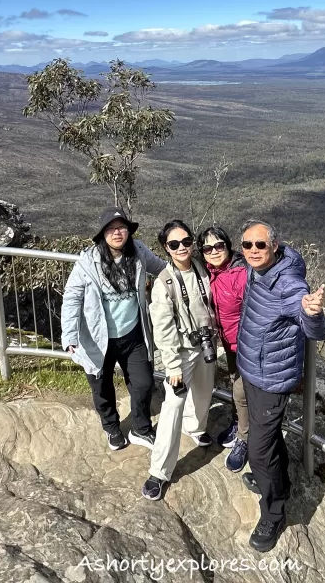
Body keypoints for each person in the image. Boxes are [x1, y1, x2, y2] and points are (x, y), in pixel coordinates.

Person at [235, 218, 325, 553]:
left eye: (261, 244)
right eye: (247, 245)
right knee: (268, 437)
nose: (254, 251)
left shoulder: (290, 284)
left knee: (258, 450)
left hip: (271, 380)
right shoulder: (255, 270)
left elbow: (316, 331)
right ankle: (274, 482)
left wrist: (312, 312)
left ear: (275, 245)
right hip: (252, 370)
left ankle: (274, 512)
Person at [61, 207, 167, 451]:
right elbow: (72, 299)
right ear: (102, 234)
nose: (117, 233)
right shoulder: (88, 263)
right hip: (98, 338)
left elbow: (161, 268)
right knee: (102, 387)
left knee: (143, 383)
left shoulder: (139, 252)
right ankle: (111, 428)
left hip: (132, 333)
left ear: (129, 231)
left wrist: (183, 281)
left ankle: (141, 428)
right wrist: (69, 335)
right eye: (111, 229)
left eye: (121, 227)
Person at [141, 220, 218, 501]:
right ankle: (159, 472)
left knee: (204, 391)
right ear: (165, 248)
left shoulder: (201, 267)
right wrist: (172, 366)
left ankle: (196, 428)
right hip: (181, 352)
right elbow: (163, 329)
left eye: (186, 242)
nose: (182, 248)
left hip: (206, 344)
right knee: (172, 407)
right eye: (174, 244)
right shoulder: (164, 283)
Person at [199, 226, 250, 473]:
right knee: (234, 385)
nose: (214, 251)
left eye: (219, 245)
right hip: (229, 344)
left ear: (228, 246)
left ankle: (245, 438)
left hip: (247, 346)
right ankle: (240, 422)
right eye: (207, 248)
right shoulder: (208, 273)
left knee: (241, 392)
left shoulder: (241, 274)